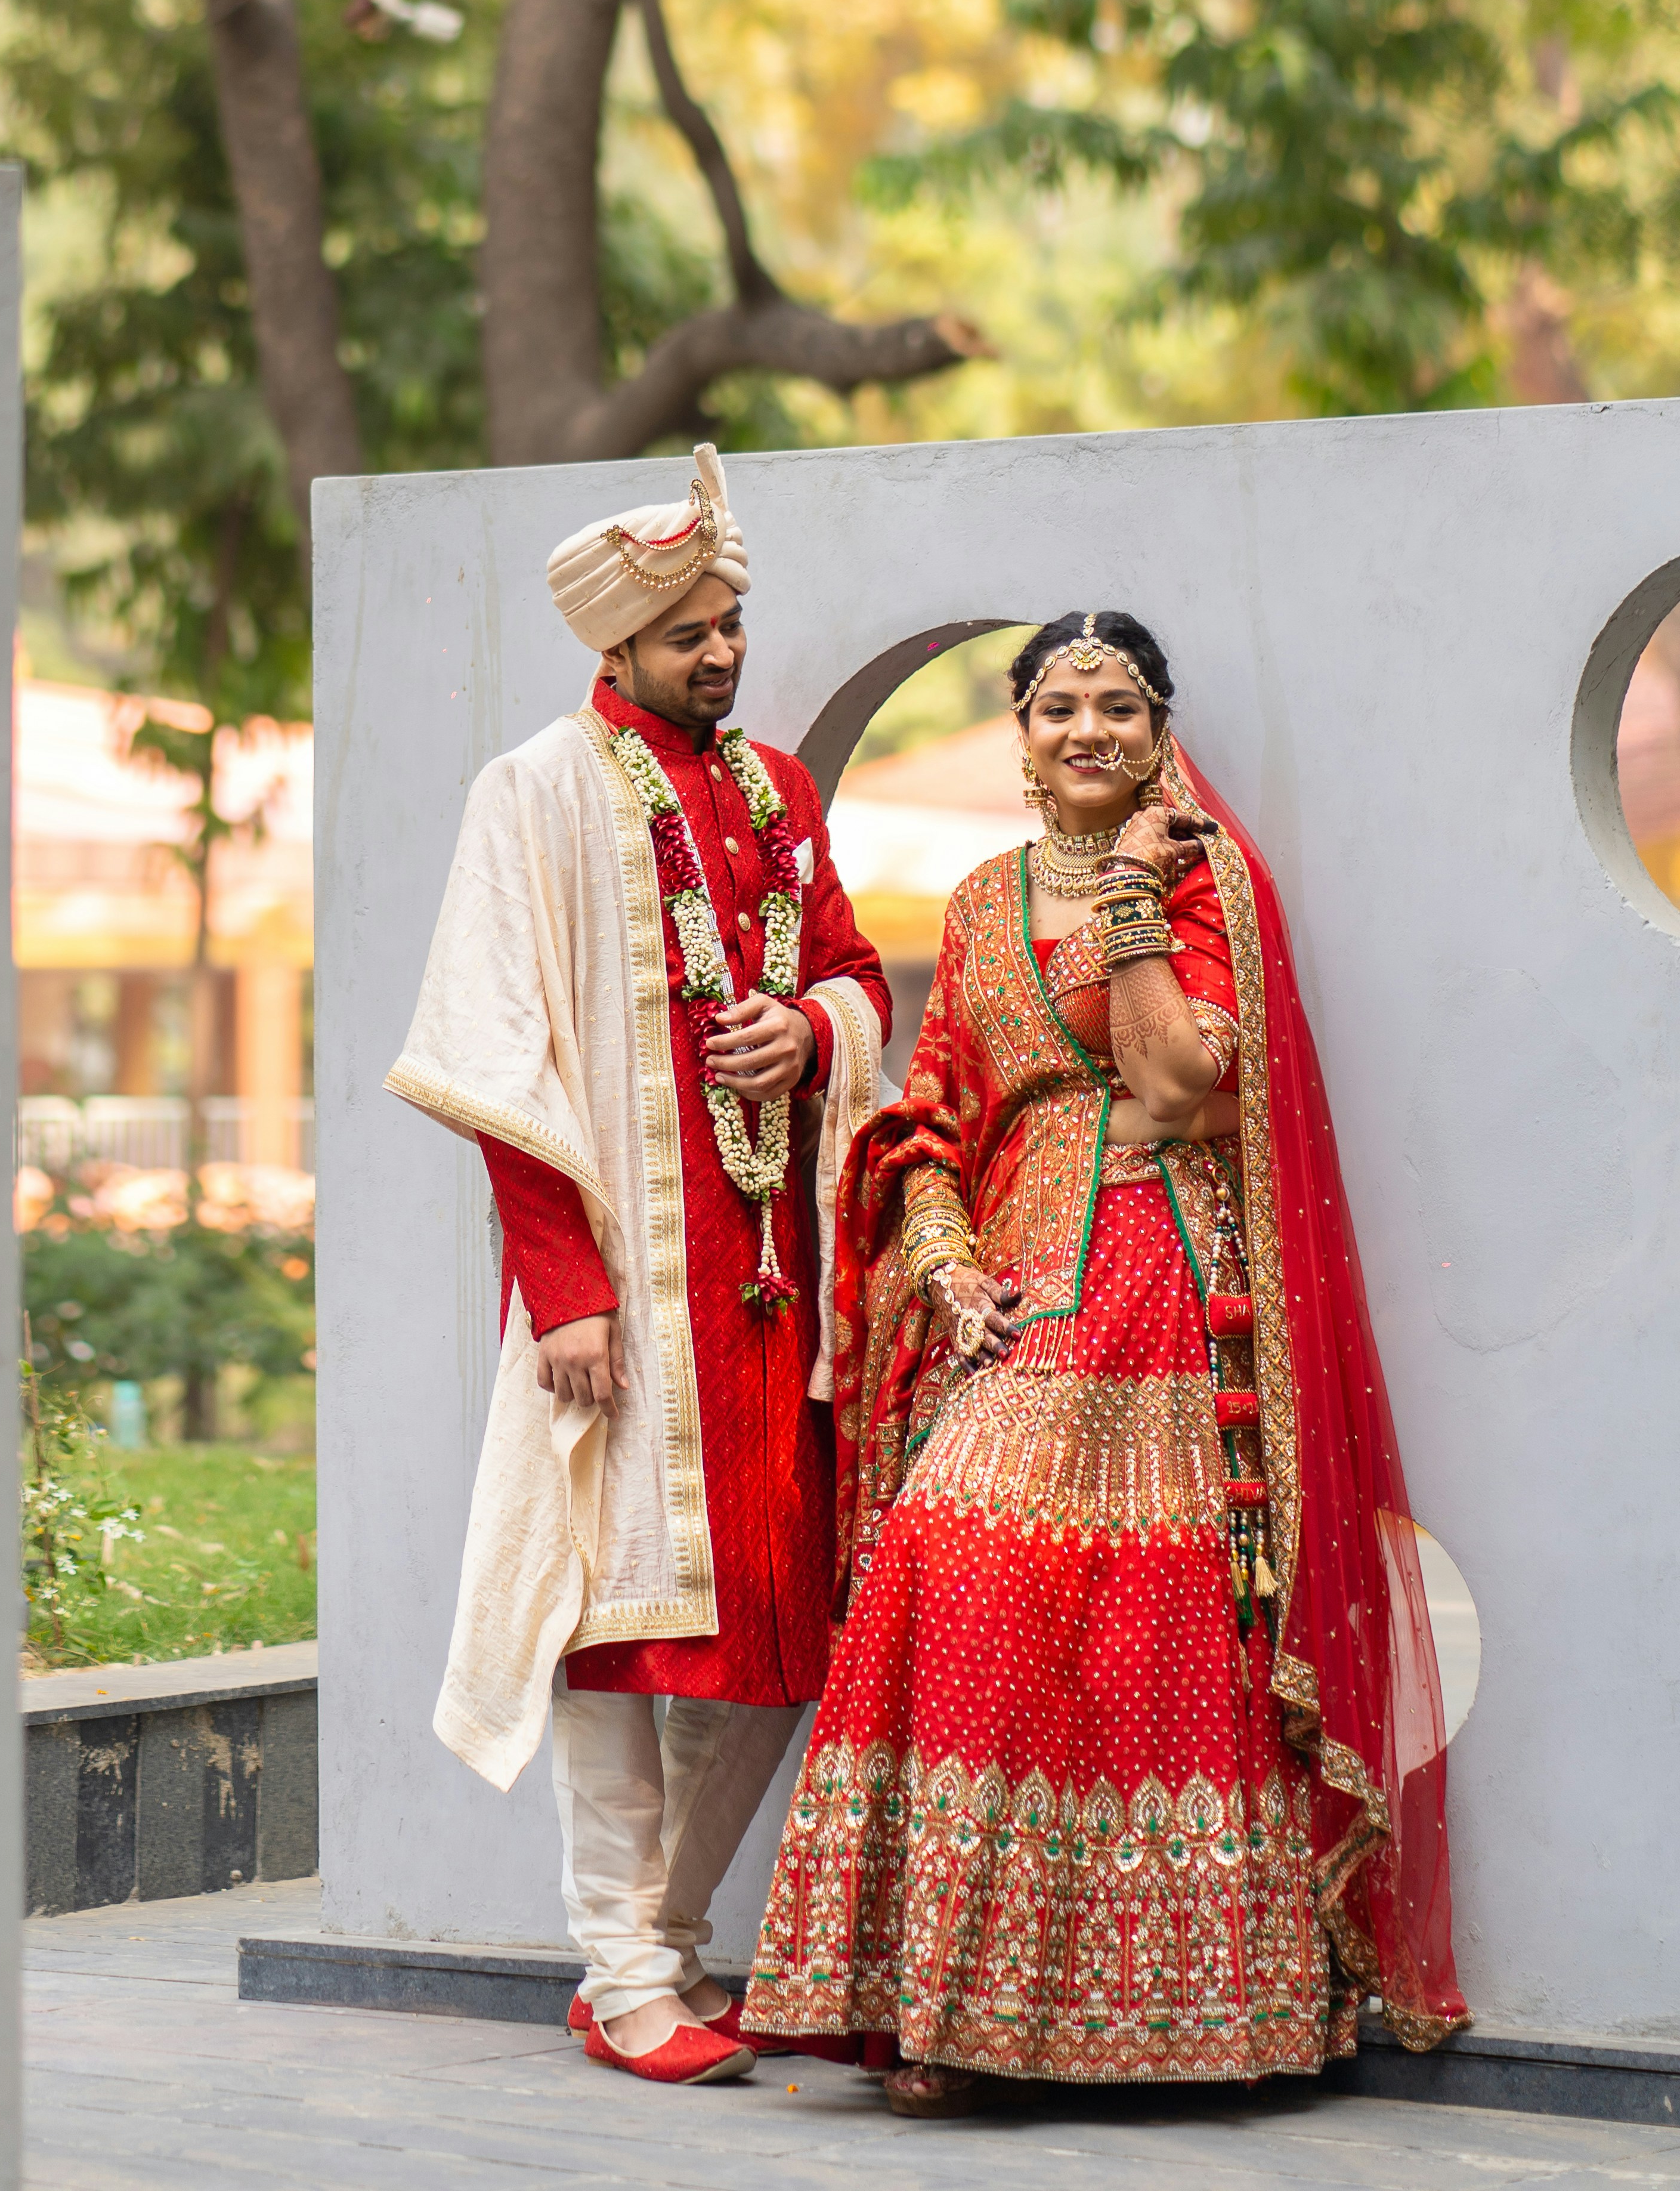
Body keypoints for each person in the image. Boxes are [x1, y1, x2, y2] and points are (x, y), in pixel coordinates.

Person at [744, 609, 1469, 2108]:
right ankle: (941, 2008)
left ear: (1159, 737)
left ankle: (1194, 2015)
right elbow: (931, 1107)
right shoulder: (976, 899)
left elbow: (1179, 1077)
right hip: (1016, 1289)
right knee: (954, 1574)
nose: (1088, 730)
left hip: (1169, 1280)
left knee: (1158, 1615)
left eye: (1121, 707)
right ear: (1017, 734)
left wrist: (1137, 889)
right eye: (1059, 705)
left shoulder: (1209, 887)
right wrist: (942, 1267)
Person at [388, 445, 890, 2086]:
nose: (724, 656)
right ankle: (627, 1970)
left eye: (733, 625)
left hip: (773, 1291)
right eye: (690, 634)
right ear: (614, 649)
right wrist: (570, 1294)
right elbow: (494, 1055)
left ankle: (646, 1965)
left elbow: (856, 970)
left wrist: (808, 1031)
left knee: (766, 1626)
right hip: (627, 1297)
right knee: (619, 1624)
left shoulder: (776, 795)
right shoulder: (530, 792)